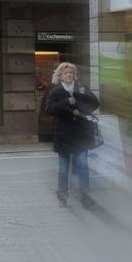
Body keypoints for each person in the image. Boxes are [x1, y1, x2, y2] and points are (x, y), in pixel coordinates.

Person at [44, 62, 100, 207]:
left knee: (83, 164)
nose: (69, 75)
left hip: (81, 133)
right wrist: (66, 102)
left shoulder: (81, 88)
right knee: (63, 168)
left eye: (71, 73)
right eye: (66, 73)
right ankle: (62, 193)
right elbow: (49, 109)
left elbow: (95, 102)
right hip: (64, 134)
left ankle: (85, 194)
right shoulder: (55, 91)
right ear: (60, 76)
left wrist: (81, 110)